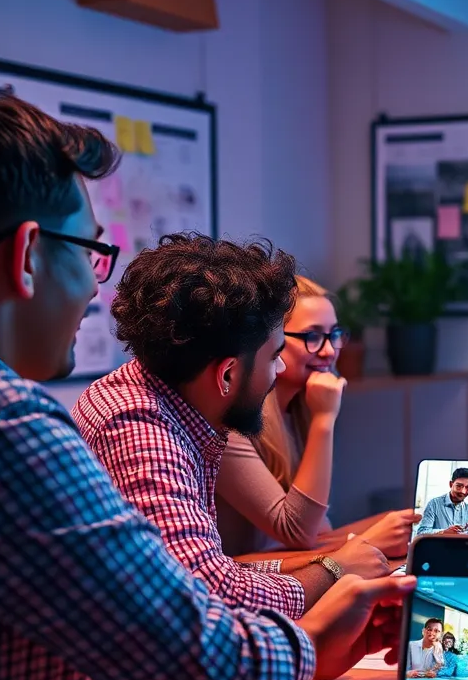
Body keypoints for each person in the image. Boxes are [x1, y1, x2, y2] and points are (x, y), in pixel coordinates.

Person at [0, 93, 414, 680]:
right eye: (88, 253)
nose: (91, 290)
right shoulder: (10, 426)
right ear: (26, 256)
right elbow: (209, 677)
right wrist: (316, 632)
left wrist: (327, 575)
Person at [75, 234, 391, 622]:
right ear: (227, 374)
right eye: (274, 356)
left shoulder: (170, 406)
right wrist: (333, 571)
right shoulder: (139, 428)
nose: (277, 370)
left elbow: (215, 568)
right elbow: (212, 593)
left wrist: (338, 562)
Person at [214, 275, 418, 558]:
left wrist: (399, 526)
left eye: (334, 335)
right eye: (312, 336)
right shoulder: (232, 426)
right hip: (248, 590)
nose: (328, 351)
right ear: (271, 342)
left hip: (289, 574)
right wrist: (325, 419)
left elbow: (319, 534)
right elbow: (299, 533)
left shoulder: (297, 412)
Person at [414, 468, 468, 534]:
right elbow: (421, 532)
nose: (463, 491)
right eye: (459, 486)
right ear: (450, 484)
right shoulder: (433, 504)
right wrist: (444, 532)